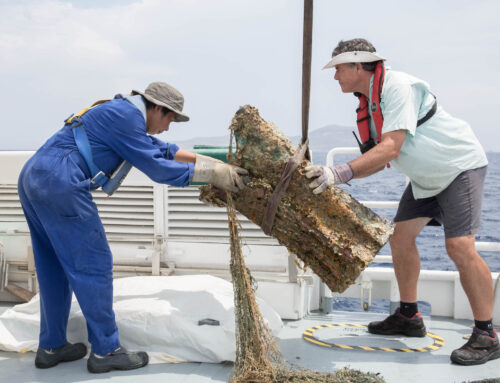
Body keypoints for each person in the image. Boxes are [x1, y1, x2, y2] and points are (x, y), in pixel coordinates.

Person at [18, 81, 247, 373]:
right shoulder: (126, 117)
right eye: (170, 119)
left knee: (53, 265)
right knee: (94, 264)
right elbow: (158, 168)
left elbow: (162, 150)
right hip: (60, 181)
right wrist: (212, 175)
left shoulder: (119, 113)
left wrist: (214, 161)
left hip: (35, 176)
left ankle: (51, 347)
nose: (167, 127)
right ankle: (106, 351)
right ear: (157, 108)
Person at [306, 38, 498, 366]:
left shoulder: (398, 87)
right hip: (425, 180)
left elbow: (391, 148)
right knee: (400, 239)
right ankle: (409, 316)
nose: (335, 76)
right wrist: (337, 177)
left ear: (358, 64)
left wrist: (337, 172)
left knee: (459, 248)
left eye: (338, 69)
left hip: (457, 167)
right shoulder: (368, 102)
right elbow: (377, 161)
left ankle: (486, 335)